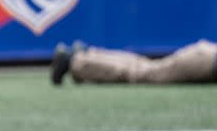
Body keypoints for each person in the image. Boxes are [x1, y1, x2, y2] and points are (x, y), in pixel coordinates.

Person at [51, 40, 217, 85]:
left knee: (143, 66)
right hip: (206, 62)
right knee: (142, 72)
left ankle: (87, 55)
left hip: (205, 56)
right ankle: (76, 61)